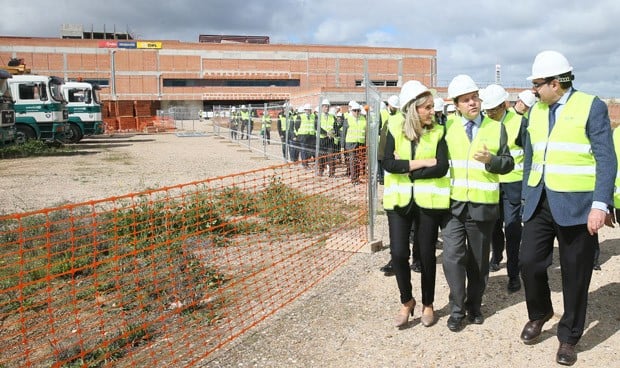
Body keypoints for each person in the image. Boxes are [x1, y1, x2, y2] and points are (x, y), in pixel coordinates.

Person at [519, 50, 616, 366]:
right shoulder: (534, 111)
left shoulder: (591, 106)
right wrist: (525, 197)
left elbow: (606, 158)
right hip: (539, 201)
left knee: (576, 275)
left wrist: (600, 205)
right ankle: (541, 311)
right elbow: (531, 158)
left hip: (578, 206)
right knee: (529, 262)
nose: (534, 90)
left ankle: (569, 337)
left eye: (537, 84)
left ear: (555, 83)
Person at [442, 74, 514, 332]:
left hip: (482, 206)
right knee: (451, 257)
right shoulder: (447, 128)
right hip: (453, 207)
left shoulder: (496, 127)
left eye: (474, 98)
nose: (472, 103)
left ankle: (475, 306)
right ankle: (457, 308)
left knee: (479, 263)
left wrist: (491, 160)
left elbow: (508, 164)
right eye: (466, 100)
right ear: (456, 104)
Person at [382, 80, 449, 328]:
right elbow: (388, 163)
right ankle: (406, 300)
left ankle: (428, 304)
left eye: (432, 106)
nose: (433, 111)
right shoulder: (393, 127)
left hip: (427, 202)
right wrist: (422, 163)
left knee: (427, 255)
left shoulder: (438, 131)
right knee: (399, 254)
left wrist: (406, 167)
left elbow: (442, 166)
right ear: (413, 108)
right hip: (399, 202)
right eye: (428, 107)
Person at [481, 84, 525, 293]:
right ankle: (496, 255)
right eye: (488, 110)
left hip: (513, 184)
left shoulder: (519, 123)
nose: (491, 114)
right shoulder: (484, 124)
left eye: (495, 110)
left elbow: (529, 155)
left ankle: (514, 273)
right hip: (490, 182)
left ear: (505, 105)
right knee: (493, 226)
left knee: (513, 229)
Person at [343, 102, 366, 184]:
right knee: (352, 161)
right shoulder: (347, 119)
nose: (356, 112)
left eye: (358, 110)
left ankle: (357, 178)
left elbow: (365, 132)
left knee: (358, 161)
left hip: (360, 144)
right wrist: (342, 146)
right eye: (355, 110)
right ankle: (353, 179)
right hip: (350, 144)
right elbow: (344, 133)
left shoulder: (363, 119)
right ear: (351, 111)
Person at [317, 99, 337, 177]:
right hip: (321, 139)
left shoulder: (332, 117)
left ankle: (331, 173)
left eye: (328, 106)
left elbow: (336, 127)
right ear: (322, 107)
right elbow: (317, 127)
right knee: (321, 157)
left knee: (331, 156)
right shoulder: (318, 116)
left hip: (330, 139)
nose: (326, 108)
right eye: (325, 106)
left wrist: (333, 132)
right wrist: (326, 133)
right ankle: (321, 171)